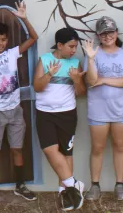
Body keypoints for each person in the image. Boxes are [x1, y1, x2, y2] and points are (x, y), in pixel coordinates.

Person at [0, 1, 38, 202]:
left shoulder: (13, 53)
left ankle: (20, 185)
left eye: (3, 40)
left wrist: (24, 18)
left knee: (17, 148)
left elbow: (34, 38)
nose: (0, 43)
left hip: (15, 110)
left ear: (7, 40)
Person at [33, 27, 87, 211]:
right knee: (49, 149)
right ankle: (73, 184)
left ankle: (67, 194)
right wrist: (49, 74)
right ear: (59, 45)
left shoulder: (75, 63)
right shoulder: (45, 60)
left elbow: (81, 93)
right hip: (44, 113)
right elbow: (37, 87)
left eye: (76, 46)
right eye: (71, 46)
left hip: (67, 114)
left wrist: (77, 80)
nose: (74, 50)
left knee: (66, 153)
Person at [83, 16, 123, 202]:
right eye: (103, 33)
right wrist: (90, 60)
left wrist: (104, 80)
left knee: (119, 146)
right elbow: (90, 81)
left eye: (111, 32)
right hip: (98, 109)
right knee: (97, 148)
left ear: (116, 33)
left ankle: (120, 185)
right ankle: (95, 185)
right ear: (98, 35)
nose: (108, 36)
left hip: (120, 109)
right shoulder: (92, 54)